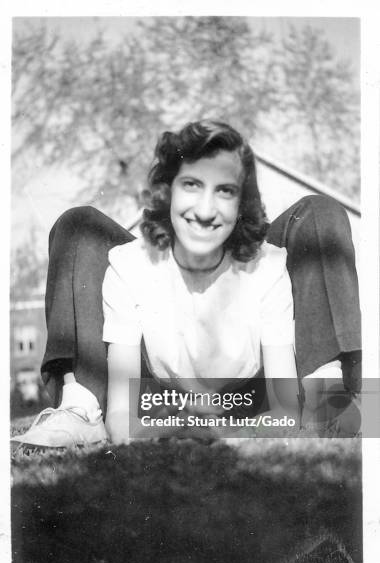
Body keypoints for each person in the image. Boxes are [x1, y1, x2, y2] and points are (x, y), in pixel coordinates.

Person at [11, 120, 361, 448]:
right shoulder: (129, 263)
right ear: (167, 193)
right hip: (159, 396)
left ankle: (328, 396)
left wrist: (222, 431)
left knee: (320, 211)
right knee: (78, 222)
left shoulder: (268, 265)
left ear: (242, 204)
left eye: (225, 191)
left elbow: (283, 413)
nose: (205, 210)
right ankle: (81, 406)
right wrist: (173, 426)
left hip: (253, 392)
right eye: (191, 185)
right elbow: (123, 418)